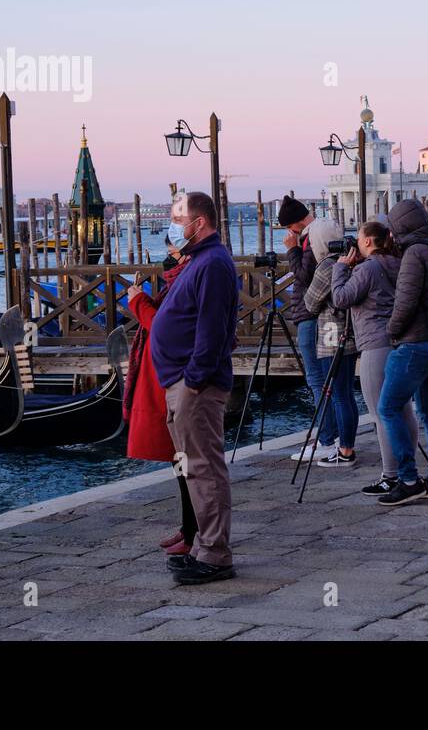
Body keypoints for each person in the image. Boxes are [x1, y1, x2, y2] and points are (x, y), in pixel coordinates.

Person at [150, 191, 239, 585]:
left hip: (195, 386)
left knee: (204, 468)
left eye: (176, 218)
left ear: (197, 222)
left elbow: (212, 329)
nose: (172, 225)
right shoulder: (199, 261)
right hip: (181, 382)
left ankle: (216, 554)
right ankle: (204, 546)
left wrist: (195, 379)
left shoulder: (213, 264)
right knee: (193, 467)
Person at [377, 198, 428, 506]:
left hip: (415, 343)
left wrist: (392, 331)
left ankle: (408, 480)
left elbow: (405, 302)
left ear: (400, 226)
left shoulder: (413, 254)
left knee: (388, 408)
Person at [125, 237, 197, 557]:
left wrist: (138, 301)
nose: (168, 257)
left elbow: (163, 327)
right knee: (178, 461)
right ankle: (188, 528)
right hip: (167, 377)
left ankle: (196, 534)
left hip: (178, 379)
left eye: (172, 250)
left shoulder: (187, 279)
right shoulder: (177, 280)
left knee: (187, 462)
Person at [331, 220, 414, 496]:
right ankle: (407, 470)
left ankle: (391, 475)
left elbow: (341, 298)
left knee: (380, 413)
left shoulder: (368, 268)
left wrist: (341, 268)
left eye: (358, 237)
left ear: (368, 241)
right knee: (403, 409)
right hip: (400, 341)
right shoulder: (397, 262)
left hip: (375, 344)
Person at [303, 218, 359, 468]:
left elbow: (310, 302)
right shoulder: (349, 259)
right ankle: (347, 445)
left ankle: (345, 450)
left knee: (338, 396)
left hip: (331, 338)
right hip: (348, 337)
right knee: (346, 395)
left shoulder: (327, 265)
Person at [279, 195, 329, 462]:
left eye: (288, 229)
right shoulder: (314, 236)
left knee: (316, 380)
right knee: (321, 380)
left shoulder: (310, 241)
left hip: (309, 316)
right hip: (311, 316)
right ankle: (329, 436)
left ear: (295, 224)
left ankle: (328, 438)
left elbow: (304, 276)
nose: (288, 234)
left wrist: (291, 249)